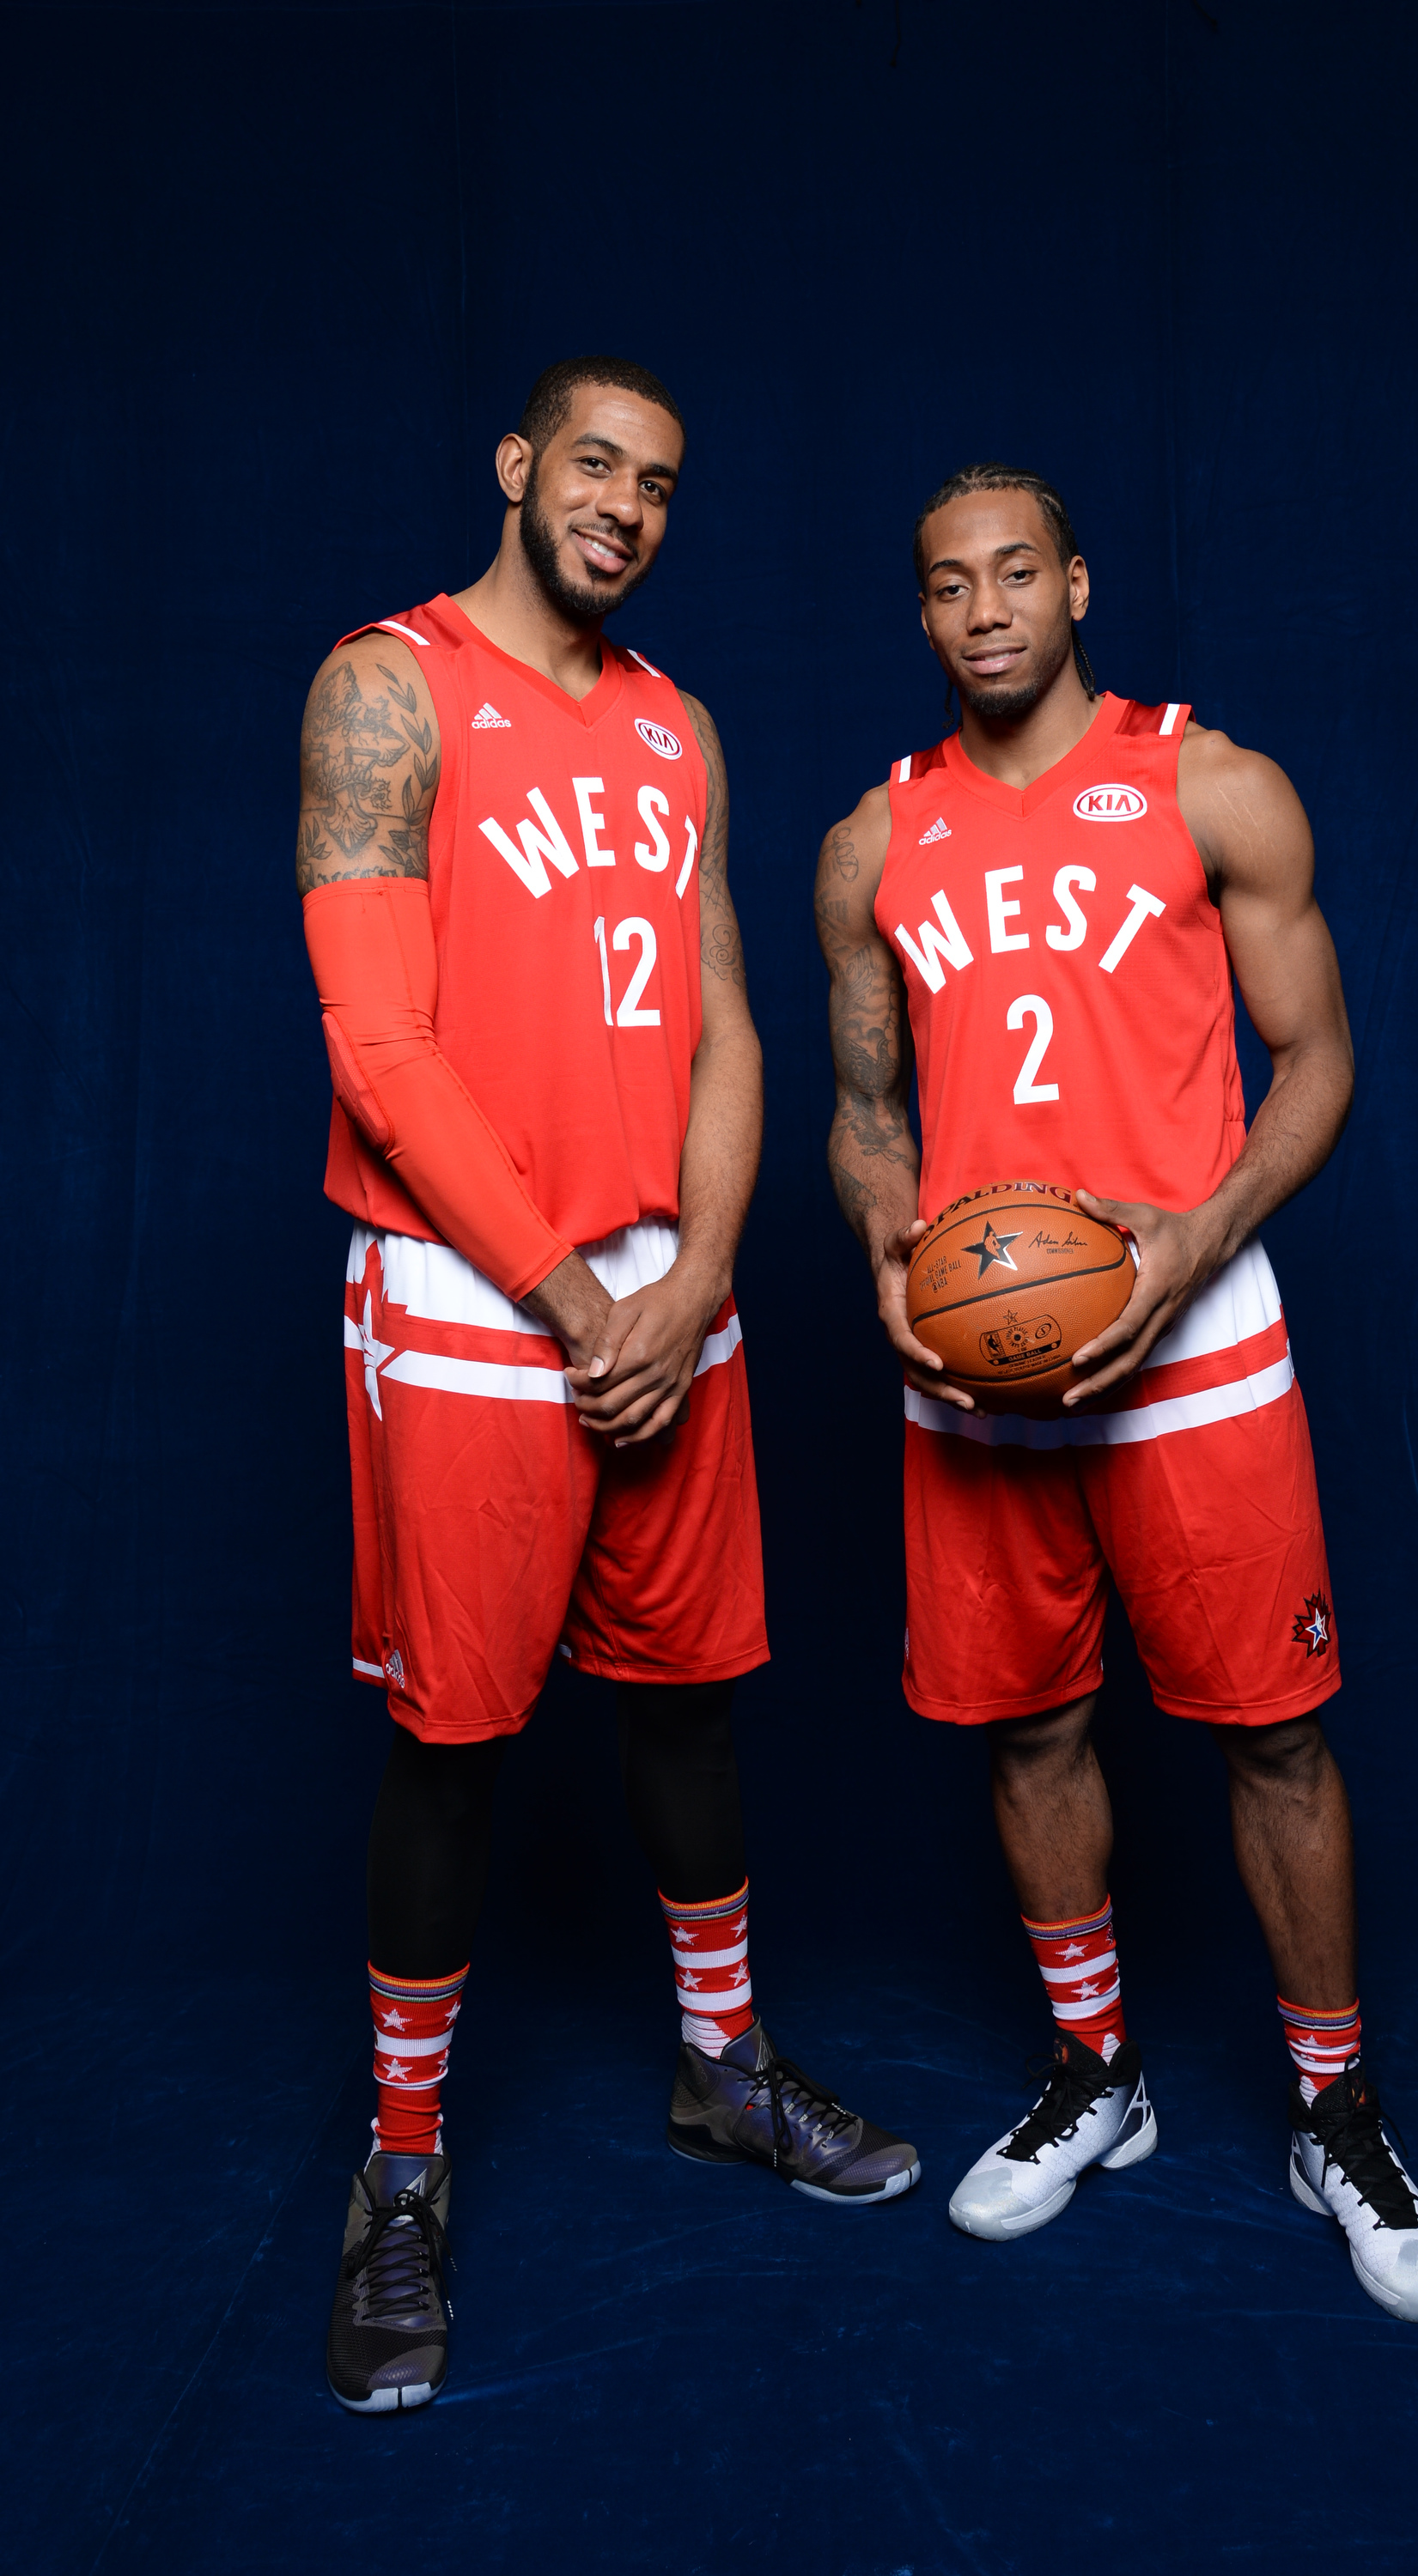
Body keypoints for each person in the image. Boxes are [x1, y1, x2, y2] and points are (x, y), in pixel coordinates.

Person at [300, 355, 918, 2415]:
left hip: (673, 1293)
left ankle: (720, 2070)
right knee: (458, 1744)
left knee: (685, 1704)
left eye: (659, 485)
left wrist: (710, 1271)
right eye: (594, 466)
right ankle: (404, 2176)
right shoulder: (385, 685)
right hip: (488, 1306)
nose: (626, 509)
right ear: (517, 467)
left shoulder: (677, 727)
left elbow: (734, 1022)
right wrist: (578, 1299)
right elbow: (381, 1053)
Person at [813, 461, 1418, 2323]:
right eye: (949, 585)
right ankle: (1100, 2078)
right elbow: (868, 1122)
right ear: (925, 614)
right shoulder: (872, 845)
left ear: (1078, 583)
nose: (987, 609)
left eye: (1019, 572)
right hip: (980, 1383)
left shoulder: (1213, 786)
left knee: (1274, 1735)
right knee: (1029, 1735)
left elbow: (1317, 1057)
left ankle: (1335, 2113)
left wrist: (1192, 1235)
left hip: (1196, 1361)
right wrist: (881, 1243)